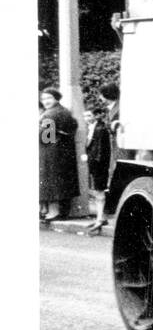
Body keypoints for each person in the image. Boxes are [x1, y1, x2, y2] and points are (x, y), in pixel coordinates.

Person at [38, 87, 80, 222]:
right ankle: (62, 212)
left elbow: (45, 137)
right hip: (65, 153)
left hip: (51, 154)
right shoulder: (66, 112)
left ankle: (53, 213)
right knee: (63, 183)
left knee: (52, 184)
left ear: (56, 98)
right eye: (43, 99)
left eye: (48, 98)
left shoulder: (49, 114)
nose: (45, 101)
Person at [84, 82, 119, 234]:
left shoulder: (100, 128)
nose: (100, 98)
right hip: (100, 163)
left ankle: (100, 218)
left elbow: (100, 151)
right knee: (98, 192)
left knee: (99, 192)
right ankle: (100, 217)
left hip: (100, 164)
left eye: (89, 115)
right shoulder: (96, 126)